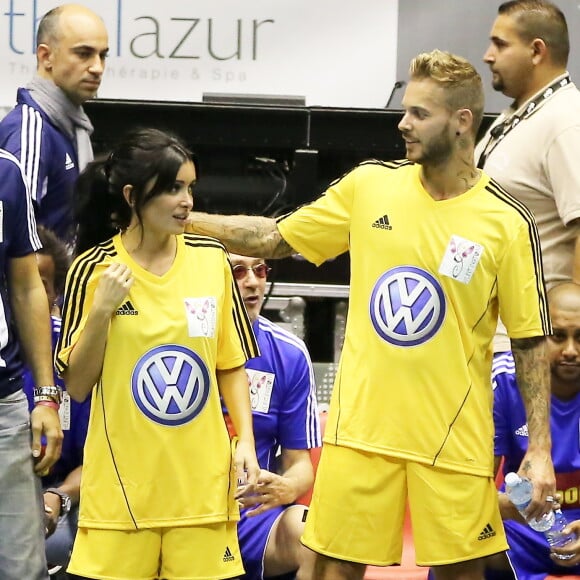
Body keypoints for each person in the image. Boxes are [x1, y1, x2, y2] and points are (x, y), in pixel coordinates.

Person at [187, 49, 556, 580]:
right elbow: (273, 237)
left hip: (453, 440)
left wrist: (539, 451)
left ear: (461, 122)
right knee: (331, 571)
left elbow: (528, 341)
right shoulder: (370, 185)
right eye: (405, 110)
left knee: (464, 574)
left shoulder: (506, 221)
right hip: (361, 432)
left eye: (419, 114)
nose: (403, 124)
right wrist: (184, 218)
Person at [55, 127, 260, 580]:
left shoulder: (213, 261)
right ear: (132, 195)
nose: (186, 200)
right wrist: (102, 312)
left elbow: (230, 364)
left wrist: (244, 440)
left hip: (202, 498)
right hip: (122, 500)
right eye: (173, 188)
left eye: (189, 187)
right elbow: (78, 384)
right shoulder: (92, 270)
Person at [476, 0, 580, 352]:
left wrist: (569, 338)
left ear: (537, 51)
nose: (488, 56)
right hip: (490, 337)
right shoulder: (517, 114)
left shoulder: (567, 121)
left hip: (528, 347)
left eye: (500, 44)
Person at [229, 253, 321, 579]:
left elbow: (301, 465)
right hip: (183, 513)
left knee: (320, 539)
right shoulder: (177, 342)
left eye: (260, 269)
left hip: (253, 518)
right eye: (238, 271)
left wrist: (287, 488)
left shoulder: (289, 353)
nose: (253, 281)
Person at [488, 282, 580, 579]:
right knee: (458, 552)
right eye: (557, 336)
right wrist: (513, 508)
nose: (570, 351)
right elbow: (472, 491)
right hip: (520, 533)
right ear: (538, 338)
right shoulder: (503, 382)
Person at [0, 149, 63, 579]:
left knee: (23, 567)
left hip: (3, 403)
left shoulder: (6, 172)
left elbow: (26, 287)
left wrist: (45, 396)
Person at [0, 4, 109, 244]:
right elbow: (11, 235)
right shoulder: (31, 130)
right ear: (46, 56)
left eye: (102, 55)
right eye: (83, 54)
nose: (97, 67)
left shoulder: (70, 126)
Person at [22, 225, 87, 576]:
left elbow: (105, 458)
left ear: (57, 292)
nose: (28, 290)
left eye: (41, 283)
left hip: (71, 500)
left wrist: (58, 497)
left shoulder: (78, 355)